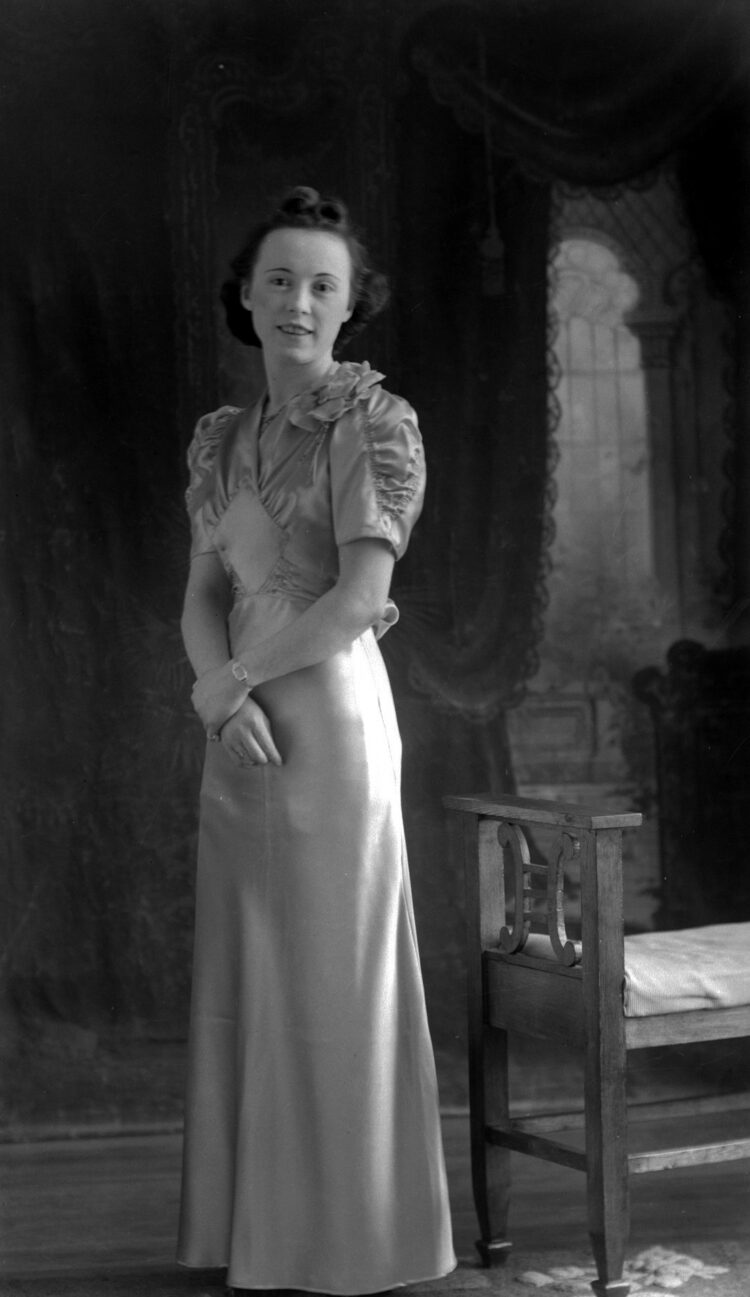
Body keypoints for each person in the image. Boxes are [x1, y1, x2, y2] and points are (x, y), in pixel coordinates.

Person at [176, 185, 456, 1296]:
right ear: (247, 297)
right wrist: (216, 696)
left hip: (327, 717)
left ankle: (353, 1238)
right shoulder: (220, 441)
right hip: (236, 724)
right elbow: (201, 594)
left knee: (336, 968)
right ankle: (257, 1235)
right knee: (248, 965)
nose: (298, 301)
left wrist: (234, 680)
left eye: (321, 286)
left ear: (350, 306)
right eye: (280, 280)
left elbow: (356, 602)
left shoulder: (370, 423)